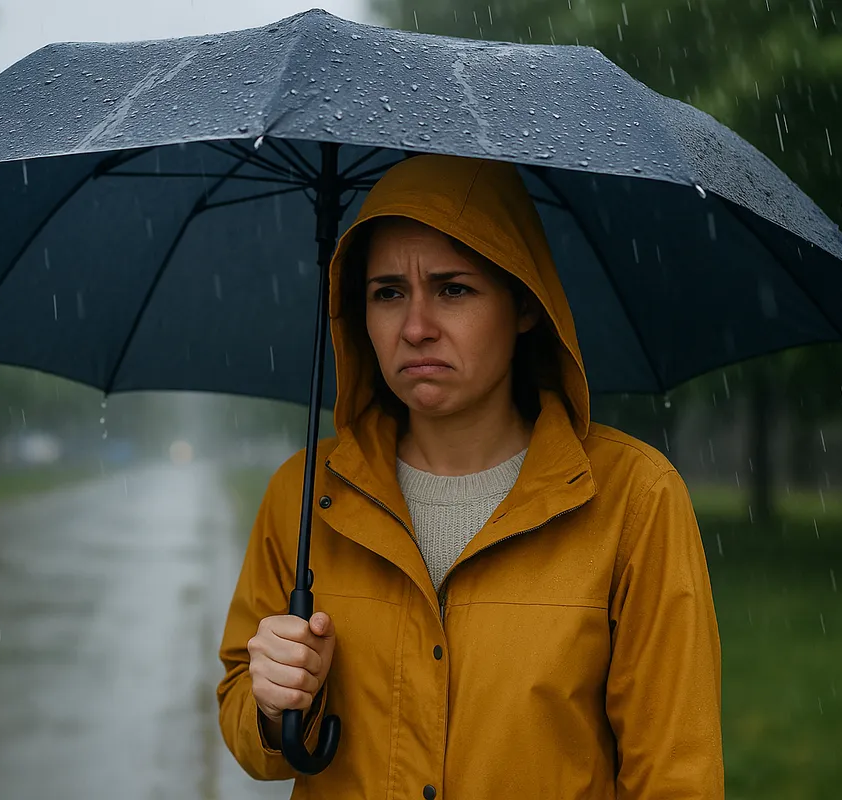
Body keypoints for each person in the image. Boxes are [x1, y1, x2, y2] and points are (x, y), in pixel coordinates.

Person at [216, 153, 724, 799]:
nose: (416, 327)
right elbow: (246, 724)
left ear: (524, 306)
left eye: (454, 289)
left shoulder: (636, 500)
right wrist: (272, 702)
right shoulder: (306, 493)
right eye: (387, 293)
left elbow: (676, 776)